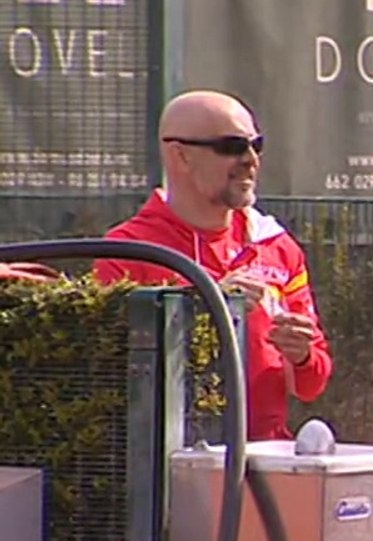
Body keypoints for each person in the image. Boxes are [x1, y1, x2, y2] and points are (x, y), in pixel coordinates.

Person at [94, 90, 333, 441]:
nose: (251, 159)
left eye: (257, 145)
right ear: (180, 156)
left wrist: (301, 355)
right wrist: (204, 305)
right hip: (173, 463)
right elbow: (112, 378)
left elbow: (312, 384)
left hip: (263, 460)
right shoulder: (128, 250)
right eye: (232, 146)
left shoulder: (276, 245)